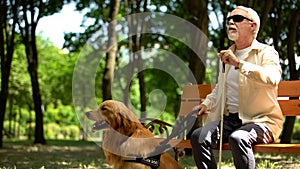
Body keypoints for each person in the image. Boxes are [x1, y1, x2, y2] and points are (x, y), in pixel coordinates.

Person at [190, 6, 283, 169]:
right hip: (230, 119)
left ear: (252, 25)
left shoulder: (266, 52)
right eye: (229, 20)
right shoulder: (227, 55)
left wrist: (239, 64)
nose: (231, 22)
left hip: (261, 120)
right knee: (199, 136)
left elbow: (272, 78)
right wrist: (206, 104)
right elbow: (220, 89)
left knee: (239, 137)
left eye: (238, 18)